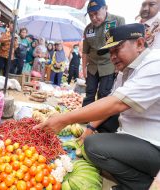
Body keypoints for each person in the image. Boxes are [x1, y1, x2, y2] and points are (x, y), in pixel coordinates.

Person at [35, 23, 160, 190]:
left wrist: (64, 119)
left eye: (117, 49)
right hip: (136, 137)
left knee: (94, 147)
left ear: (139, 43)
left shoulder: (155, 64)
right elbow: (111, 99)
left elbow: (116, 103)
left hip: (154, 144)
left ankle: (141, 185)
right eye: (110, 52)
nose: (113, 57)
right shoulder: (126, 71)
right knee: (95, 143)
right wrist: (90, 128)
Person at [82, 0, 125, 107]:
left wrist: (119, 67)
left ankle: (99, 123)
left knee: (104, 95)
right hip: (92, 67)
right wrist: (83, 68)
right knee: (89, 94)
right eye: (90, 15)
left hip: (108, 65)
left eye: (96, 14)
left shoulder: (118, 21)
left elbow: (123, 45)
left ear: (105, 8)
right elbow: (85, 51)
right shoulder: (88, 29)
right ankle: (84, 119)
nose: (94, 18)